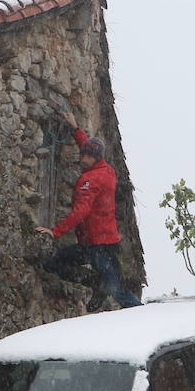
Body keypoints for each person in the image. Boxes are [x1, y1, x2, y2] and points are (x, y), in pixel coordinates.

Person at [34, 110, 143, 310]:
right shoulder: (106, 170)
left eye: (87, 156)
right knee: (55, 263)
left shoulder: (90, 180)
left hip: (99, 246)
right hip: (96, 244)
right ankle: (96, 283)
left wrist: (55, 231)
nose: (83, 158)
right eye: (83, 153)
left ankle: (145, 314)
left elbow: (80, 212)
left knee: (116, 289)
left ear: (95, 158)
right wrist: (76, 129)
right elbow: (90, 147)